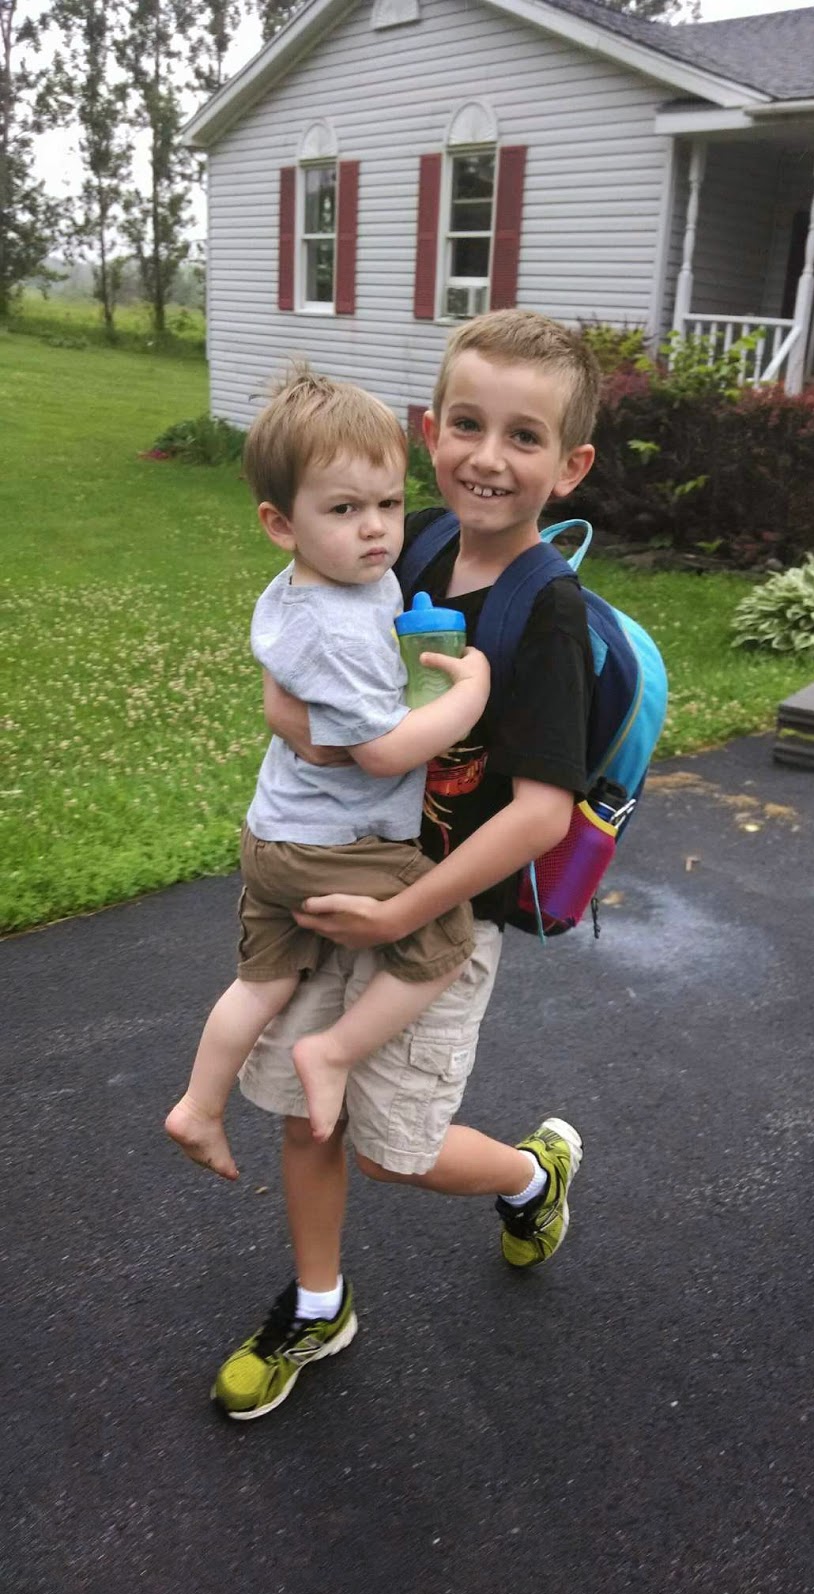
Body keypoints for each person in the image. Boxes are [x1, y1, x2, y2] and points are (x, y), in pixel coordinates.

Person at [212, 310, 600, 1422]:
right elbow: (299, 651)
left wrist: (403, 916)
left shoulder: (546, 613)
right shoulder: (402, 537)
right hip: (344, 872)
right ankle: (318, 1302)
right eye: (467, 424)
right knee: (306, 1109)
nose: (488, 456)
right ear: (430, 431)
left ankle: (530, 1175)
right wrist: (293, 718)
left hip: (440, 912)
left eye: (524, 437)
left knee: (394, 1150)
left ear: (568, 466)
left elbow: (540, 816)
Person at [165, 369, 490, 1181]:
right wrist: (470, 697)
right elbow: (384, 753)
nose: (376, 529)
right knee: (448, 937)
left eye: (388, 503)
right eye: (343, 510)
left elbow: (295, 701)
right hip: (334, 843)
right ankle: (334, 1052)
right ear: (280, 524)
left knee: (263, 983)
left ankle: (198, 1107)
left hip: (278, 832)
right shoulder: (336, 630)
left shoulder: (314, 585)